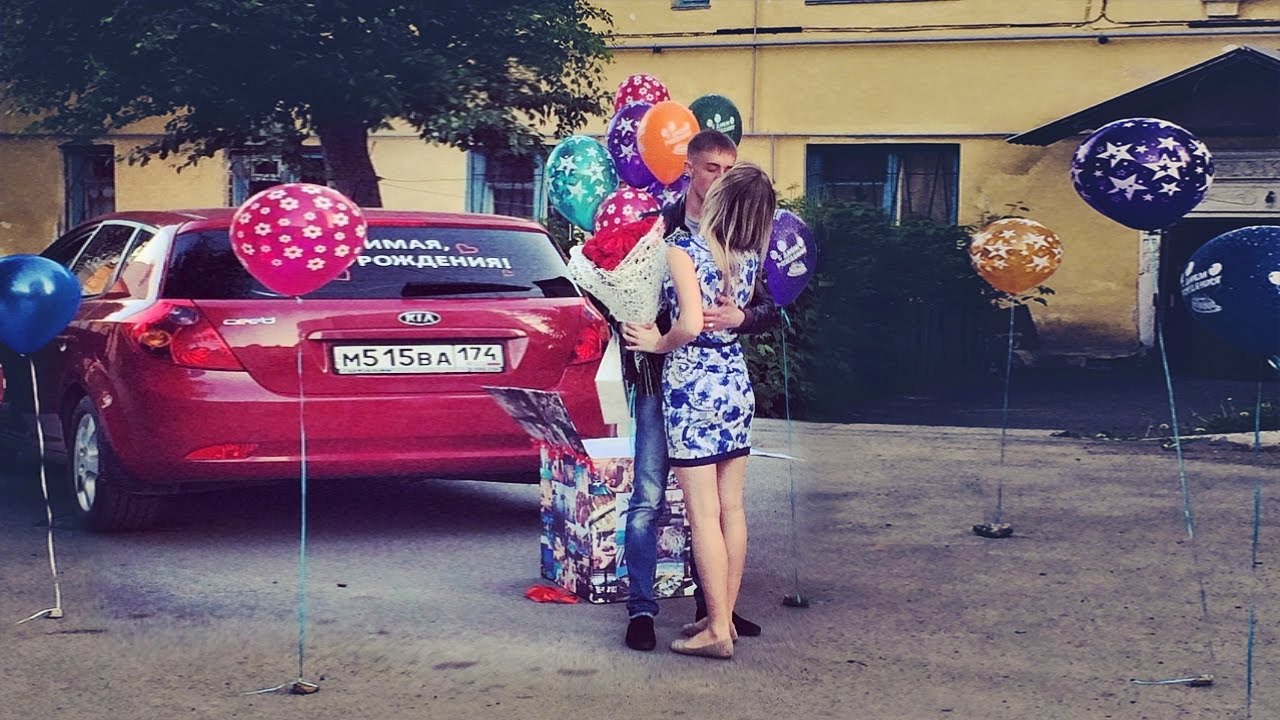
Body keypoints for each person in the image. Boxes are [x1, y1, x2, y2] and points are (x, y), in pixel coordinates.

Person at [619, 130, 775, 652]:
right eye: (712, 168)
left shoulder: (683, 248)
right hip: (732, 383)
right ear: (689, 168)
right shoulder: (741, 248)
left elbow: (694, 323)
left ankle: (716, 625)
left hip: (689, 386)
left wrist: (659, 341)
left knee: (705, 513)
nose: (719, 179)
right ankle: (692, 614)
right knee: (727, 508)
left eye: (728, 172)